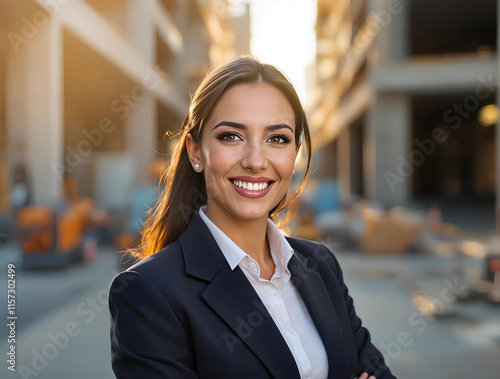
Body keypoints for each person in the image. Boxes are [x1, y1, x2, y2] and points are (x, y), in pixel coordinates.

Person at [108, 55, 396, 379]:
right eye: (231, 136)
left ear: (295, 153)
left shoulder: (321, 264)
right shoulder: (147, 293)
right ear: (194, 152)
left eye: (277, 139)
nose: (256, 161)